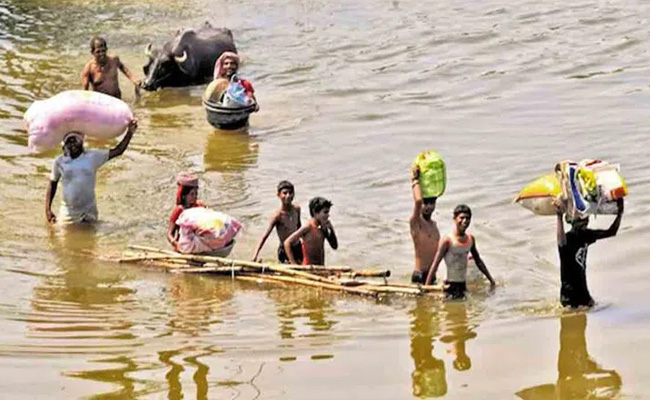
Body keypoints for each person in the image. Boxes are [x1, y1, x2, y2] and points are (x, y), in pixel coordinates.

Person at [45, 119, 138, 224]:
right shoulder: (59, 162)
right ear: (64, 146)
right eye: (69, 141)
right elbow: (52, 183)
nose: (73, 144)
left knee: (92, 238)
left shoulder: (92, 157)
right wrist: (47, 210)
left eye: (75, 141)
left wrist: (130, 132)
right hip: (69, 214)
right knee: (62, 238)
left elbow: (118, 151)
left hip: (89, 212)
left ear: (82, 143)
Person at [555, 198, 624, 308]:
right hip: (569, 297)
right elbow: (560, 241)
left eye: (586, 218)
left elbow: (611, 232)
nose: (586, 220)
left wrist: (619, 213)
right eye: (582, 218)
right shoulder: (567, 239)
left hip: (584, 295)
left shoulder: (586, 235)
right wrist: (559, 216)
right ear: (572, 221)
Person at [425, 204, 496, 299]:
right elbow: (435, 263)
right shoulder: (447, 240)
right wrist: (426, 287)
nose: (465, 221)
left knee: (463, 312)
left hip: (462, 285)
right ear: (454, 219)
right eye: (461, 218)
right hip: (449, 286)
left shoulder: (470, 239)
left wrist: (491, 280)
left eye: (468, 218)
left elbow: (478, 261)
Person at [251, 180, 302, 263]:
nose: (288, 196)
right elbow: (264, 236)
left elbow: (299, 228)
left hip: (297, 247)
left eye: (290, 193)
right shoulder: (277, 216)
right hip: (284, 251)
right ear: (278, 195)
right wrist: (255, 255)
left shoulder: (297, 209)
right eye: (285, 193)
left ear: (294, 194)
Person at [283, 197, 337, 266]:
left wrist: (331, 229)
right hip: (308, 267)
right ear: (315, 212)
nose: (328, 215)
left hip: (320, 267)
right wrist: (293, 264)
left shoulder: (323, 228)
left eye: (328, 212)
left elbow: (334, 246)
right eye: (325, 212)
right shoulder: (308, 227)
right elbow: (287, 243)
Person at [410, 165, 440, 284]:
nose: (429, 207)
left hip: (432, 275)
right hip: (420, 275)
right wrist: (415, 180)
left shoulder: (434, 225)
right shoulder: (416, 223)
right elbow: (417, 201)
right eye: (426, 203)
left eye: (432, 203)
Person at [167, 172, 206, 251]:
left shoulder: (201, 207)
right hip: (183, 247)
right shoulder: (179, 210)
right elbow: (169, 234)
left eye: (196, 193)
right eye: (192, 194)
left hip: (198, 247)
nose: (195, 197)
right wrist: (175, 243)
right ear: (184, 196)